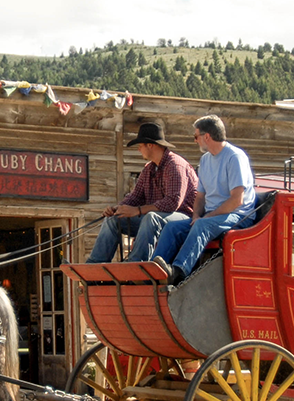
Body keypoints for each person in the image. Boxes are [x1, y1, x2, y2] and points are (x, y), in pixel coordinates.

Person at [151, 115, 257, 287]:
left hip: (238, 216)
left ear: (207, 136)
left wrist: (205, 218)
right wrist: (196, 216)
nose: (195, 141)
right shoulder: (205, 160)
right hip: (212, 216)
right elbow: (200, 196)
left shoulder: (235, 157)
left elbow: (237, 200)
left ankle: (177, 271)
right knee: (172, 228)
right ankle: (153, 271)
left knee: (202, 226)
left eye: (196, 136)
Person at [85, 122, 199, 263]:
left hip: (185, 219)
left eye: (140, 145)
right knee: (113, 220)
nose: (139, 149)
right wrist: (118, 209)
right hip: (156, 220)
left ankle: (135, 263)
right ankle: (95, 266)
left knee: (150, 217)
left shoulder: (175, 165)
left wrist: (138, 210)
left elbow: (173, 202)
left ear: (150, 145)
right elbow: (136, 196)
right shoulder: (149, 169)